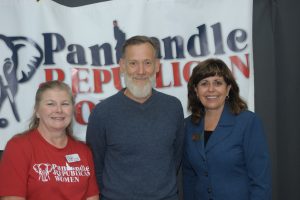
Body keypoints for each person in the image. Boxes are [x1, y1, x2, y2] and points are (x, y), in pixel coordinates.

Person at [86, 35, 184, 200]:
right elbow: (96, 167)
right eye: (133, 63)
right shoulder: (102, 113)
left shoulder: (173, 107)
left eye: (147, 63)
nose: (140, 71)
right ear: (122, 66)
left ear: (157, 66)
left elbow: (176, 158)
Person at [182, 58, 271, 200]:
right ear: (196, 90)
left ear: (228, 88)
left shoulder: (248, 122)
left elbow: (260, 182)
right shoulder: (188, 126)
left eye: (218, 83)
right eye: (204, 83)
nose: (211, 89)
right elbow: (189, 177)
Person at [0, 80, 99, 200]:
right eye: (50, 104)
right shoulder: (18, 147)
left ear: (72, 110)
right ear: (37, 111)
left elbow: (92, 197)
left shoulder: (84, 151)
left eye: (65, 104)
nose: (58, 110)